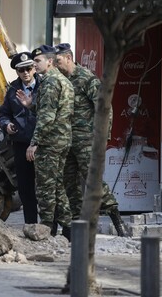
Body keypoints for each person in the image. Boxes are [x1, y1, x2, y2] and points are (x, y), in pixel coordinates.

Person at [54, 42, 126, 236]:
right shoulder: (60, 80)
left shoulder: (86, 78)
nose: (55, 64)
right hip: (67, 141)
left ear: (68, 58)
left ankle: (117, 221)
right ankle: (76, 227)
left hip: (86, 141)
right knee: (69, 184)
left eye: (58, 60)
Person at [17, 45, 74, 240]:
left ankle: (48, 228)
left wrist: (34, 143)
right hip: (62, 139)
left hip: (50, 142)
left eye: (38, 61)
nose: (34, 65)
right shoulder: (62, 80)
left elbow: (47, 117)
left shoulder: (49, 82)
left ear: (50, 61)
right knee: (57, 185)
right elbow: (53, 111)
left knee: (45, 188)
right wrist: (31, 106)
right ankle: (68, 227)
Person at [0, 52, 40, 224]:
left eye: (29, 68)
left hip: (42, 144)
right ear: (17, 72)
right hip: (21, 144)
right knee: (25, 187)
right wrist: (6, 125)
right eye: (21, 70)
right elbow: (3, 114)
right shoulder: (13, 89)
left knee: (48, 188)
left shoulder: (45, 86)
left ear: (34, 69)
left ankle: (51, 228)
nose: (26, 73)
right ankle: (31, 224)